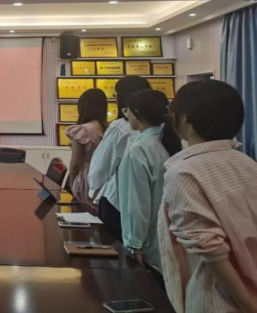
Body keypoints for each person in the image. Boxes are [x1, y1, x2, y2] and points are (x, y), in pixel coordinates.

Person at [158, 80, 257, 313]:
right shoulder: (246, 163)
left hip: (219, 301)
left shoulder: (183, 173)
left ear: (184, 118)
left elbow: (212, 252)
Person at [118, 89, 181, 287]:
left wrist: (134, 245)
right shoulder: (169, 140)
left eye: (127, 110)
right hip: (169, 240)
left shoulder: (140, 149)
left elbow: (137, 203)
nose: (126, 114)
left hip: (148, 245)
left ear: (137, 112)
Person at [88, 76, 151, 237]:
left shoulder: (120, 127)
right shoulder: (161, 127)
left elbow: (100, 169)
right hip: (148, 203)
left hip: (117, 201)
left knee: (114, 247)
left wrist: (91, 191)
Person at [65, 88, 108, 209]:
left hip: (86, 177)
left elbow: (75, 164)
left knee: (83, 212)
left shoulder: (82, 130)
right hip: (104, 178)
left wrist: (72, 183)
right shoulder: (109, 128)